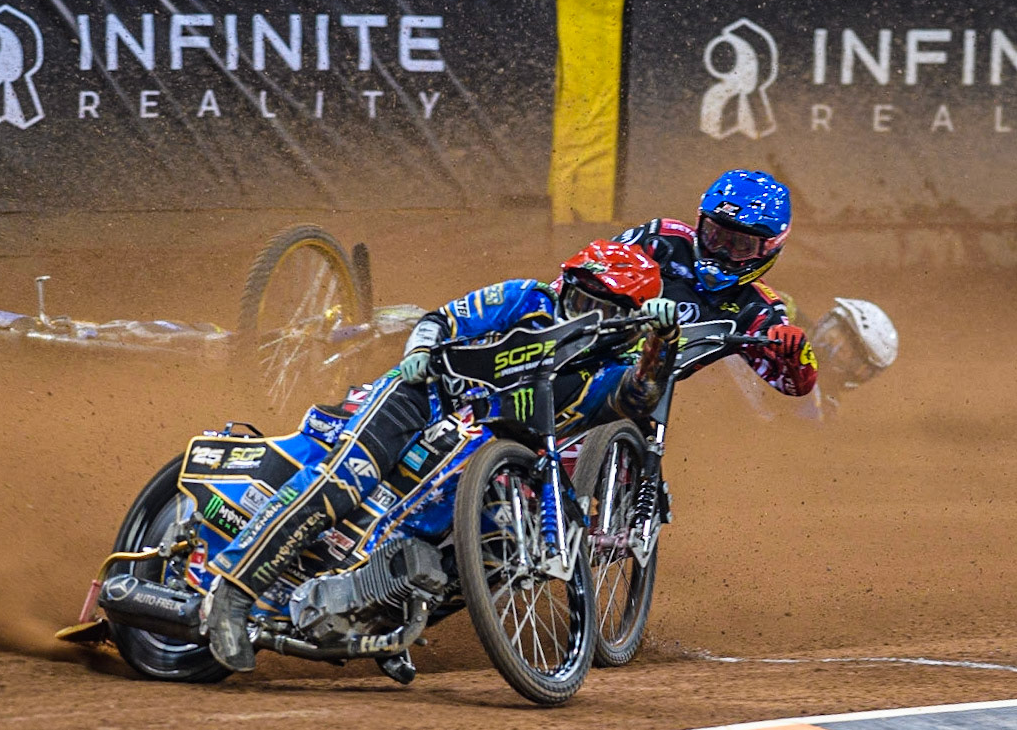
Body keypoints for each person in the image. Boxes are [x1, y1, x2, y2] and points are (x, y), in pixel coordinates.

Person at [203, 239, 676, 672]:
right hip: (420, 397)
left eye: (598, 308)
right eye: (577, 298)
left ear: (627, 320)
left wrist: (662, 341)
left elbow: (639, 396)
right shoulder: (528, 298)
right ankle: (234, 592)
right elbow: (442, 320)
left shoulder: (612, 370)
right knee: (348, 479)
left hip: (477, 449)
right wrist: (422, 348)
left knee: (497, 545)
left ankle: (381, 621)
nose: (580, 313)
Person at [614, 168, 818, 398]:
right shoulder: (662, 238)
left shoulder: (758, 308)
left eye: (740, 244)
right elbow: (592, 262)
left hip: (646, 386)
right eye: (714, 235)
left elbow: (794, 387)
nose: (721, 251)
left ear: (768, 249)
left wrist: (795, 352)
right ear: (700, 223)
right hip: (595, 339)